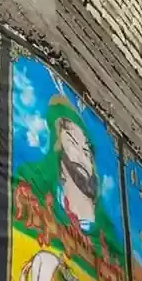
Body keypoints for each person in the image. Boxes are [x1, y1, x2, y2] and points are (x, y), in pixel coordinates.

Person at [14, 95, 124, 268]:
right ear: (58, 146)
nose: (82, 157)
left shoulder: (106, 232)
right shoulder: (35, 185)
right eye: (73, 143)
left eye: (86, 151)